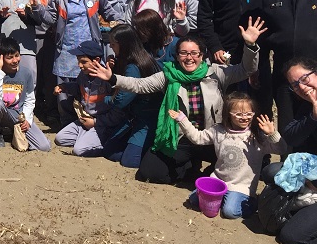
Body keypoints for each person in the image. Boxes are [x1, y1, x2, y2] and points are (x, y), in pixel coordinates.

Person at [88, 20, 267, 185]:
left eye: (194, 53)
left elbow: (246, 69)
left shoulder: (217, 72)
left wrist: (250, 45)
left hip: (213, 137)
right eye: (183, 53)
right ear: (177, 55)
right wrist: (113, 78)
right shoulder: (168, 75)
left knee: (234, 165)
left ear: (202, 54)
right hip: (181, 136)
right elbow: (140, 85)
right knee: (150, 172)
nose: (189, 58)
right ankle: (189, 168)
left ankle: (206, 170)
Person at [170, 92, 283, 219]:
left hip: (241, 186)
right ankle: (223, 197)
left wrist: (272, 133)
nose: (244, 118)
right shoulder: (219, 131)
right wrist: (183, 120)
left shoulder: (257, 137)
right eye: (239, 114)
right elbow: (198, 138)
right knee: (194, 200)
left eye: (249, 114)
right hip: (218, 180)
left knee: (230, 212)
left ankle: (253, 203)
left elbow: (281, 149)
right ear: (229, 114)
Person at [41, 0, 123, 127]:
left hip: (89, 50)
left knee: (89, 87)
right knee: (64, 89)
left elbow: (109, 12)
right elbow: (50, 19)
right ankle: (66, 123)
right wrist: (37, 8)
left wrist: (120, 23)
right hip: (65, 48)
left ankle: (89, 122)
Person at [260, 0, 317, 131]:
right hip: (284, 79)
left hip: (316, 78)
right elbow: (263, 40)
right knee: (288, 130)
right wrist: (259, 72)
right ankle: (288, 163)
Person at [261, 59, 317, 244]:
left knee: (290, 237)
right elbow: (291, 137)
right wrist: (312, 118)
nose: (302, 86)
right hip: (312, 172)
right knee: (271, 172)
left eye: (304, 78)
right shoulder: (308, 106)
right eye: (295, 84)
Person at [101, 22, 161, 168]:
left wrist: (105, 99)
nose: (111, 48)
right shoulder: (140, 58)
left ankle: (153, 152)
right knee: (109, 150)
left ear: (123, 44)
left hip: (146, 120)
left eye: (113, 45)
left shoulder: (134, 67)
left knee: (130, 161)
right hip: (134, 117)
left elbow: (121, 100)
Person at [0, 37, 51, 151]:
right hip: (4, 113)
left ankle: (13, 133)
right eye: (10, 58)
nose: (15, 60)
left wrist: (27, 120)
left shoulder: (26, 73)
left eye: (17, 55)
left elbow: (30, 99)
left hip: (19, 116)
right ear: (0, 58)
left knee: (44, 146)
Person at [53, 40, 116, 156]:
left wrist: (96, 122)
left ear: (96, 60)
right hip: (84, 120)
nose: (79, 65)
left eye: (83, 62)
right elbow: (78, 88)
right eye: (78, 61)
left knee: (79, 150)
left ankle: (103, 144)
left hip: (100, 124)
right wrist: (64, 87)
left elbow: (116, 109)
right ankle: (86, 138)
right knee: (60, 139)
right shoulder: (83, 75)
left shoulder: (107, 79)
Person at [0, 0, 46, 82]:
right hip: (6, 49)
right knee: (5, 81)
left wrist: (26, 16)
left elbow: (39, 21)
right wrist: (1, 16)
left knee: (29, 80)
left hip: (27, 49)